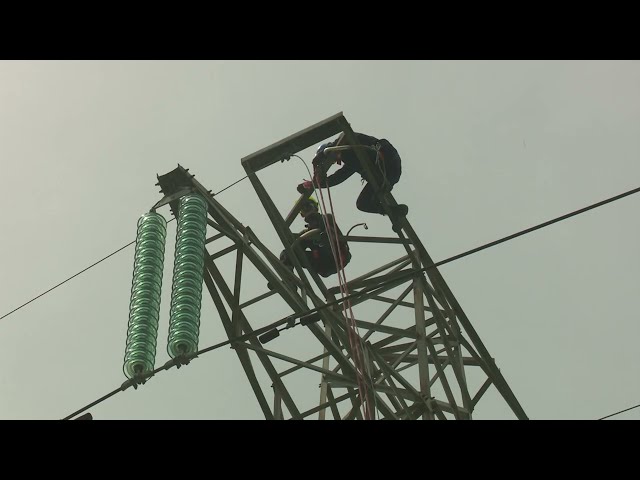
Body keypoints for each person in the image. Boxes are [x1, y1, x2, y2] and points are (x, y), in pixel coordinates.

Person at [297, 133, 408, 227]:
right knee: (362, 203)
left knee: (345, 153)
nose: (334, 162)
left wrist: (322, 156)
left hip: (386, 159)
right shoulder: (351, 158)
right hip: (389, 175)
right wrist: (314, 185)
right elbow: (338, 177)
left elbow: (345, 136)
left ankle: (381, 179)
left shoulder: (347, 143)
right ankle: (394, 211)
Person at [278, 196, 351, 281]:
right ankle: (289, 280)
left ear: (316, 207)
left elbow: (330, 232)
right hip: (321, 263)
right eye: (303, 208)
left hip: (336, 256)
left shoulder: (326, 219)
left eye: (308, 205)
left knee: (319, 226)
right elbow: (294, 248)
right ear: (301, 214)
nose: (306, 208)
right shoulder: (305, 235)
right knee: (287, 253)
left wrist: (324, 234)